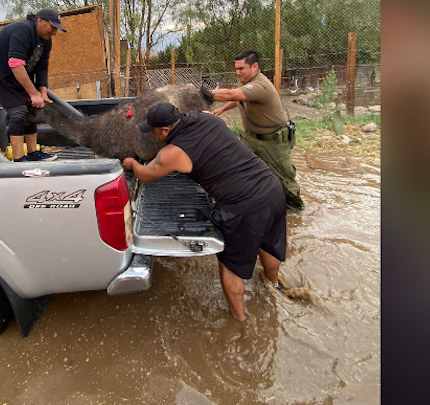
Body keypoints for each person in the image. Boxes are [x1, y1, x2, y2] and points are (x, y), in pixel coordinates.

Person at [122, 102, 288, 321]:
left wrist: (132, 163)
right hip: (271, 188)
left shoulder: (173, 152)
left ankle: (240, 323)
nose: (154, 136)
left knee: (230, 266)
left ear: (166, 130)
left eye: (154, 132)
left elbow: (145, 175)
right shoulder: (207, 118)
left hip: (242, 206)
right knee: (267, 242)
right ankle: (274, 285)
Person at [209, 50, 304, 211]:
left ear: (254, 66)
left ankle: (296, 213)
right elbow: (238, 98)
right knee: (232, 168)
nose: (238, 72)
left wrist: (203, 94)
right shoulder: (245, 82)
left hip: (273, 142)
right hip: (250, 139)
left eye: (241, 69)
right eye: (236, 69)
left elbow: (232, 94)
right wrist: (222, 109)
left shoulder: (261, 85)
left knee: (285, 183)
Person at [0, 8, 66, 161]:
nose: (54, 32)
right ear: (40, 21)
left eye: (56, 29)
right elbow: (16, 64)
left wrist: (42, 93)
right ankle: (19, 159)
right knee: (18, 111)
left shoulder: (45, 40)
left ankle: (33, 153)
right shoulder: (23, 30)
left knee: (32, 109)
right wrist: (33, 93)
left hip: (13, 76)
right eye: (52, 27)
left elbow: (42, 67)